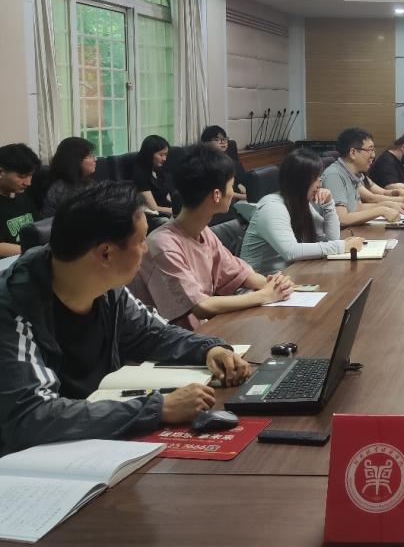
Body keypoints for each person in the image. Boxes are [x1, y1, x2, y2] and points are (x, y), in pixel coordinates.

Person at [0, 181, 251, 455]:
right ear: (106, 253)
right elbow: (30, 416)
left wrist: (208, 349)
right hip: (30, 461)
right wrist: (158, 408)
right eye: (141, 240)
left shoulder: (107, 290)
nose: (146, 250)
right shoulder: (13, 306)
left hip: (92, 440)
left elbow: (152, 333)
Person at [130, 145, 294, 330]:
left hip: (200, 333)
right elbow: (201, 307)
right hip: (167, 339)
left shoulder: (203, 232)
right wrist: (264, 295)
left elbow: (239, 273)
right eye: (231, 186)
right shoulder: (163, 244)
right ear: (216, 195)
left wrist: (276, 286)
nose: (232, 193)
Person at [241, 148, 365, 274]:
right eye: (315, 178)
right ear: (300, 181)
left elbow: (332, 239)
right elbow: (291, 252)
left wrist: (329, 204)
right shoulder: (272, 208)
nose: (319, 184)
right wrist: (342, 246)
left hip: (291, 274)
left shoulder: (301, 202)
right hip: (261, 281)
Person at [321, 128, 402, 226]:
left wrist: (386, 205)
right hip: (344, 234)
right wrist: (381, 210)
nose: (373, 155)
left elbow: (357, 208)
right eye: (370, 150)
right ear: (353, 153)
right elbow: (342, 219)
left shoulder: (351, 173)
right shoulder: (334, 175)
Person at [40, 137, 97, 219]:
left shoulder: (87, 183)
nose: (95, 159)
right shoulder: (61, 189)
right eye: (90, 156)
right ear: (75, 160)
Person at [0, 143, 40, 258]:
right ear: (1, 172)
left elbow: (38, 228)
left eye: (30, 176)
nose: (28, 183)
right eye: (22, 176)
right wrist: (35, 251)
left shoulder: (22, 196)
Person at [200, 125, 247, 201]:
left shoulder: (226, 159)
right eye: (217, 139)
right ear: (206, 143)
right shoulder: (204, 164)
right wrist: (241, 197)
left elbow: (234, 178)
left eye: (224, 139)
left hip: (234, 199)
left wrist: (240, 185)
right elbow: (216, 191)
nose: (223, 142)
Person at [134, 134, 174, 215]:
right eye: (161, 155)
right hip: (151, 215)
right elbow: (153, 208)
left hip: (165, 211)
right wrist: (176, 210)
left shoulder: (159, 169)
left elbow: (166, 197)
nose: (164, 159)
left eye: (166, 155)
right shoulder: (140, 175)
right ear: (149, 154)